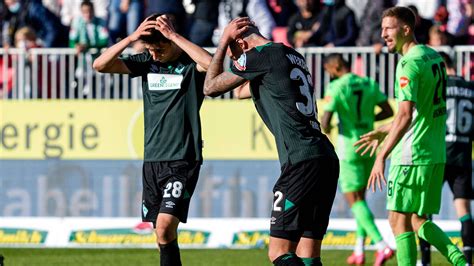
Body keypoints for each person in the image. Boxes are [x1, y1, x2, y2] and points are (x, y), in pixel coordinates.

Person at [204, 18, 340, 266]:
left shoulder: (259, 56)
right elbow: (239, 92)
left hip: (300, 160)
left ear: (242, 43)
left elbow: (210, 87)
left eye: (237, 49)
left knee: (279, 252)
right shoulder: (290, 54)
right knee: (308, 255)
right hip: (325, 157)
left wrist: (223, 41)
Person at [93, 14, 211, 265]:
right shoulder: (147, 62)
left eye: (160, 48)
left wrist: (174, 36)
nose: (155, 54)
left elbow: (212, 65)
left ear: (172, 40)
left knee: (165, 226)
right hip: (153, 158)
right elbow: (100, 65)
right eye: (150, 49)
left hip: (182, 157)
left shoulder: (190, 63)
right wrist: (133, 37)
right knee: (161, 235)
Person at [354, 6, 467, 266]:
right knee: (417, 220)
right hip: (434, 152)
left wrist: (381, 156)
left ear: (406, 29)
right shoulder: (433, 56)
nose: (383, 34)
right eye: (382, 29)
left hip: (411, 154)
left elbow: (405, 116)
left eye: (388, 29)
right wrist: (383, 131)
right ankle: (460, 261)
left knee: (397, 220)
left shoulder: (408, 64)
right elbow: (419, 111)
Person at [320, 53, 394, 266]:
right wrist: (369, 119)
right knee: (361, 200)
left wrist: (329, 127)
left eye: (328, 70)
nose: (329, 75)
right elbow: (388, 110)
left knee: (355, 200)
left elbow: (325, 120)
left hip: (350, 149)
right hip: (369, 146)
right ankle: (359, 251)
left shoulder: (337, 87)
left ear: (335, 66)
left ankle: (382, 245)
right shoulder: (368, 82)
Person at [418, 52, 474, 266]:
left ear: (440, 66)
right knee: (464, 210)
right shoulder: (471, 88)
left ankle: (425, 261)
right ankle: (468, 260)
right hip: (462, 154)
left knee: (423, 210)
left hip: (438, 154)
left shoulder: (438, 88)